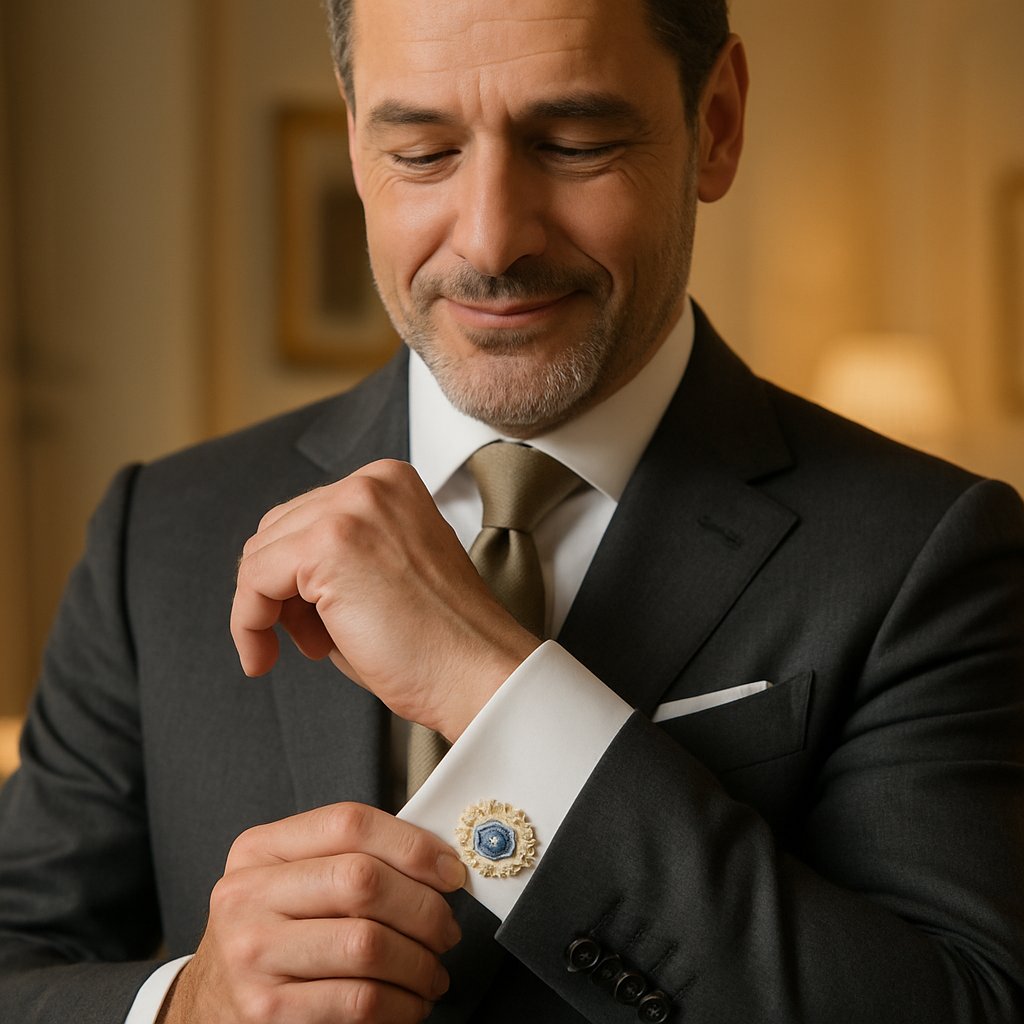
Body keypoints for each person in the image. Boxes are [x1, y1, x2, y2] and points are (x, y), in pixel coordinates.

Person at [1, 0, 1023, 1021]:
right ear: (356, 141)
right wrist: (186, 1004)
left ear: (715, 124)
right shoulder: (161, 527)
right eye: (422, 151)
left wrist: (491, 689)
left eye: (574, 144)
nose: (491, 238)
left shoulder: (934, 552)